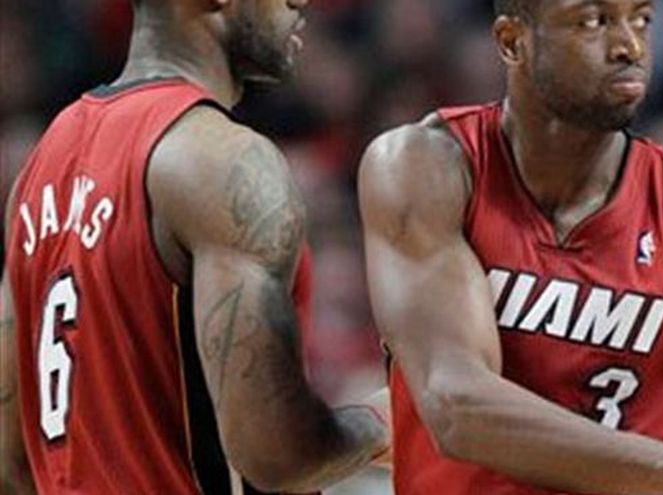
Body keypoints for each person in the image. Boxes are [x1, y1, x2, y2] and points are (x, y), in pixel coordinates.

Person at [359, 1, 663, 494]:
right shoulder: (427, 168)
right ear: (512, 42)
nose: (630, 46)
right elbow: (457, 407)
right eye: (593, 21)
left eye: (641, 19)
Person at [0, 0, 389, 493]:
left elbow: (10, 462)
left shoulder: (40, 169)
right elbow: (275, 455)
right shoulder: (221, 160)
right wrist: (387, 420)